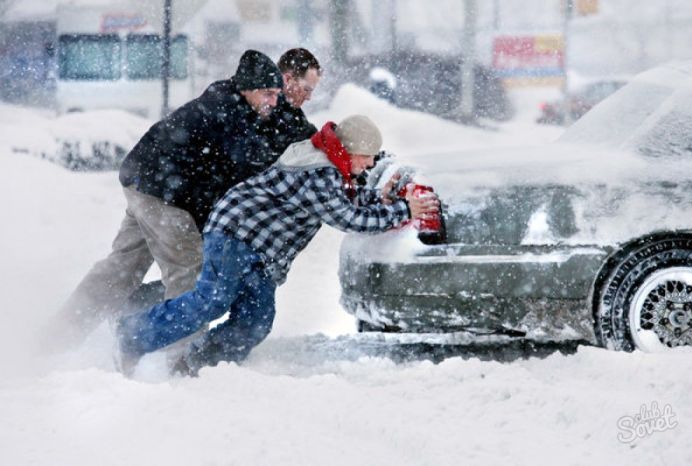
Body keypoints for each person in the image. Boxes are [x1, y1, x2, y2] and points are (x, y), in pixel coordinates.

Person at [116, 115, 439, 376]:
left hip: (261, 251)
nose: (369, 165)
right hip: (235, 233)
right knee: (211, 301)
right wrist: (405, 210)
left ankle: (199, 365)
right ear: (352, 150)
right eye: (367, 158)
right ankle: (131, 335)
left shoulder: (332, 164)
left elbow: (347, 197)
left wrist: (384, 201)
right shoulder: (319, 171)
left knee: (255, 320)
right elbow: (347, 217)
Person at [52, 49, 317, 346]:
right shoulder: (229, 113)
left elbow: (287, 134)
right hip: (164, 194)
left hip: (144, 181)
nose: (274, 100)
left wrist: (327, 147)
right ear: (250, 88)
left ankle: (60, 337)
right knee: (189, 273)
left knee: (121, 268)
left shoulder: (244, 102)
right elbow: (249, 163)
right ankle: (180, 360)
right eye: (269, 94)